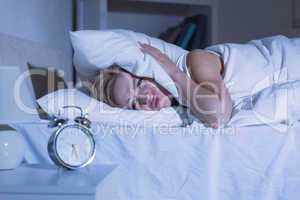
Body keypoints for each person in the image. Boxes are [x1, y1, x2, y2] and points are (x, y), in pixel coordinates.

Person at [92, 42, 233, 129]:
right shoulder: (179, 111)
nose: (144, 98)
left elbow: (218, 116)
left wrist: (173, 71)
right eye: (133, 104)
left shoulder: (195, 61)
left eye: (140, 84)